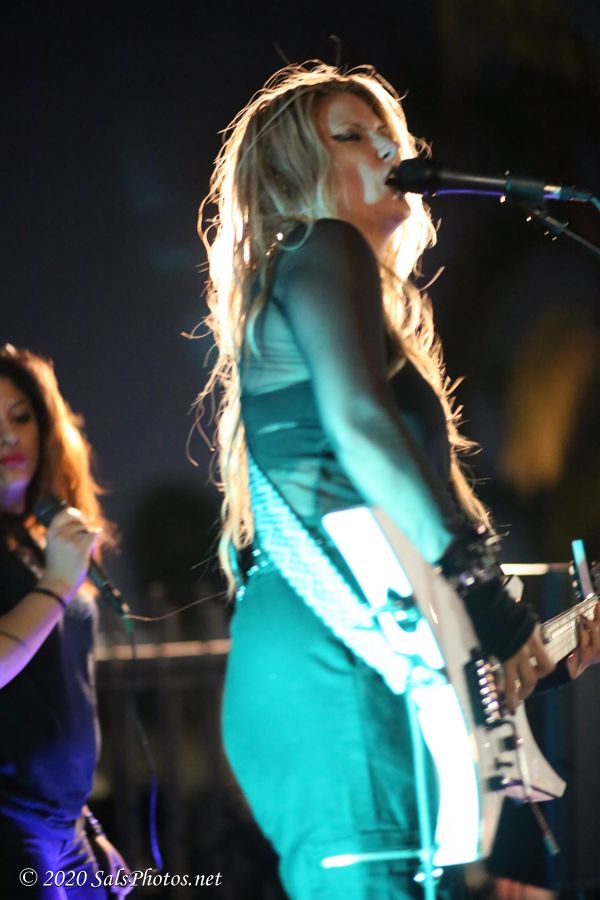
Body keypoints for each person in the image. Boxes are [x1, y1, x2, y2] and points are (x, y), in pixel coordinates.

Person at [196, 62, 600, 899]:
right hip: (337, 670)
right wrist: (488, 599)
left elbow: (394, 534)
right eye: (351, 138)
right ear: (294, 175)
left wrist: (534, 647)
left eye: (390, 135)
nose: (389, 151)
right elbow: (360, 425)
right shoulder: (321, 244)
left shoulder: (328, 288)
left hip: (344, 659)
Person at [0, 344, 132, 898]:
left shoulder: (38, 540)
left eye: (20, 417)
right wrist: (56, 585)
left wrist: (86, 828)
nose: (8, 438)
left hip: (67, 828)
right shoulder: (51, 567)